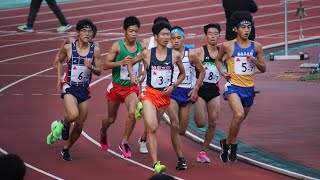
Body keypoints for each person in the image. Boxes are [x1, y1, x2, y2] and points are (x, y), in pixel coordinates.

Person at [128, 21, 185, 173]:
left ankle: (141, 110)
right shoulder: (147, 54)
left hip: (164, 97)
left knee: (155, 126)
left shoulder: (175, 55)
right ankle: (155, 164)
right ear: (156, 36)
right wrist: (133, 76)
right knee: (152, 128)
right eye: (163, 35)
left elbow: (183, 73)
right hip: (149, 94)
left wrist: (173, 86)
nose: (167, 38)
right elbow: (131, 63)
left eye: (169, 35)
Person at [215, 11, 266, 163]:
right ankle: (234, 145)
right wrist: (223, 72)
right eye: (243, 27)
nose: (246, 30)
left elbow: (263, 68)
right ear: (235, 29)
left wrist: (255, 61)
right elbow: (218, 60)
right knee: (238, 115)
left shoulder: (257, 46)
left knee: (239, 119)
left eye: (249, 27)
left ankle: (226, 142)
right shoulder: (228, 45)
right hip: (233, 86)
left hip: (249, 88)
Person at [54, 19, 101, 161]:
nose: (87, 34)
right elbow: (59, 61)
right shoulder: (69, 48)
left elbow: (99, 71)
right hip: (69, 86)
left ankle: (66, 149)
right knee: (73, 115)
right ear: (78, 33)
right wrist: (58, 79)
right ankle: (65, 123)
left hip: (84, 90)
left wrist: (91, 67)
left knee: (80, 125)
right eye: (84, 31)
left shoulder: (95, 50)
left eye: (90, 32)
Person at [100, 16, 146, 158]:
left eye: (136, 31)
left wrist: (143, 72)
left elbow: (145, 61)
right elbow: (105, 65)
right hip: (116, 87)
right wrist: (119, 63)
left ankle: (124, 142)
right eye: (131, 31)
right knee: (111, 119)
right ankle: (103, 132)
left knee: (132, 113)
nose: (133, 34)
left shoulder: (141, 46)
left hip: (130, 89)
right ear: (124, 31)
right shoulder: (117, 46)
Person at [168, 26, 205, 170]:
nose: (176, 41)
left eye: (179, 38)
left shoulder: (191, 54)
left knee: (182, 130)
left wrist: (196, 88)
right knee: (174, 124)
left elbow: (201, 71)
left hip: (187, 93)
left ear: (184, 38)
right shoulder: (167, 54)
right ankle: (181, 159)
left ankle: (177, 140)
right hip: (172, 92)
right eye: (173, 38)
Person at [136, 16, 171, 154]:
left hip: (162, 86)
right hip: (147, 83)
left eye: (167, 32)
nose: (165, 36)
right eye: (162, 32)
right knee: (151, 120)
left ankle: (143, 138)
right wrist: (141, 73)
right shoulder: (146, 43)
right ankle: (146, 142)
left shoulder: (169, 45)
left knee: (156, 120)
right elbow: (140, 59)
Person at [193, 23, 222, 163]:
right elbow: (190, 66)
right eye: (210, 34)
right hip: (201, 90)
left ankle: (203, 151)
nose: (213, 36)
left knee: (213, 122)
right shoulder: (199, 52)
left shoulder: (223, 53)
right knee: (200, 123)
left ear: (219, 36)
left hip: (214, 91)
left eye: (215, 34)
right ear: (206, 36)